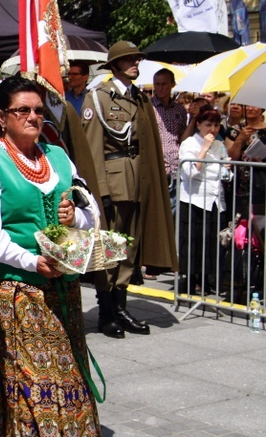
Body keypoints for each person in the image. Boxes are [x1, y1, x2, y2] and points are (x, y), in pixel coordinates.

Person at [0, 75, 101, 436]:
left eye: (38, 110)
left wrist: (77, 216)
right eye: (22, 110)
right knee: (26, 391)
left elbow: (91, 210)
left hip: (60, 290)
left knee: (66, 381)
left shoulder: (58, 156)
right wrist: (32, 261)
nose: (33, 117)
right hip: (10, 294)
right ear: (1, 117)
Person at [81, 41, 177, 338]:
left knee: (128, 248)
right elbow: (92, 148)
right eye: (130, 59)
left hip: (137, 181)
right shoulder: (98, 98)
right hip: (112, 179)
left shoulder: (139, 98)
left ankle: (120, 306)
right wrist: (101, 192)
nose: (136, 63)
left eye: (137, 59)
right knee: (109, 248)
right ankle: (107, 311)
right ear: (115, 65)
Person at [178, 107, 228, 296]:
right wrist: (205, 148)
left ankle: (207, 280)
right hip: (195, 199)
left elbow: (223, 170)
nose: (212, 129)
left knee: (211, 242)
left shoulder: (219, 144)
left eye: (216, 125)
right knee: (193, 242)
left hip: (214, 199)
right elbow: (191, 171)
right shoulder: (190, 143)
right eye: (208, 125)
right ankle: (190, 281)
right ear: (199, 124)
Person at [150, 68, 186, 216]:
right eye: (157, 84)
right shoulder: (147, 107)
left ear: (172, 84)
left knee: (173, 211)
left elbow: (182, 136)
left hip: (176, 167)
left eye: (164, 84)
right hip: (157, 166)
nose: (160, 88)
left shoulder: (180, 109)